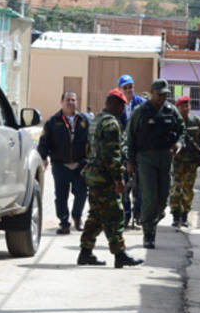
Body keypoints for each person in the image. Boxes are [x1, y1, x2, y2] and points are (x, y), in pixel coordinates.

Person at [77, 89, 143, 269]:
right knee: (115, 214)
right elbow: (111, 155)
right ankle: (119, 254)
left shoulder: (96, 120)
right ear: (113, 103)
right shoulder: (111, 124)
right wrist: (118, 179)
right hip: (105, 177)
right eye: (121, 105)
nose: (123, 109)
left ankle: (85, 252)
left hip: (93, 174)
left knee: (97, 214)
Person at [126, 78, 185, 249]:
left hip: (165, 158)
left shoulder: (171, 110)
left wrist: (179, 144)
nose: (162, 98)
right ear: (152, 93)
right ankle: (148, 233)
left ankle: (151, 219)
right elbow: (130, 136)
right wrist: (130, 160)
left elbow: (182, 130)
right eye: (159, 94)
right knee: (150, 196)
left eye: (165, 94)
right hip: (145, 159)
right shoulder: (140, 111)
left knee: (163, 198)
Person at [37, 91, 89, 234]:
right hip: (60, 165)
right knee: (61, 195)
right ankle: (64, 222)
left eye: (73, 100)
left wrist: (90, 160)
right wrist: (43, 157)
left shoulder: (84, 120)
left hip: (80, 165)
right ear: (61, 102)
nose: (71, 103)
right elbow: (44, 141)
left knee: (82, 193)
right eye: (68, 100)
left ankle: (77, 218)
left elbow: (92, 142)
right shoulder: (53, 121)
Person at [169, 96, 200, 228]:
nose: (186, 108)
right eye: (183, 106)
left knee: (188, 190)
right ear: (178, 108)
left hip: (192, 162)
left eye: (188, 105)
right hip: (177, 162)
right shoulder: (173, 122)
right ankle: (175, 215)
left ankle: (184, 216)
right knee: (176, 188)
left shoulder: (196, 121)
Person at [117, 74, 146, 229]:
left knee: (140, 187)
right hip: (122, 154)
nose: (128, 90)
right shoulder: (117, 104)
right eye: (125, 87)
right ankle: (126, 215)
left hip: (140, 153)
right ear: (120, 89)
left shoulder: (142, 104)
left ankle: (138, 214)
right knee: (123, 187)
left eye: (130, 87)